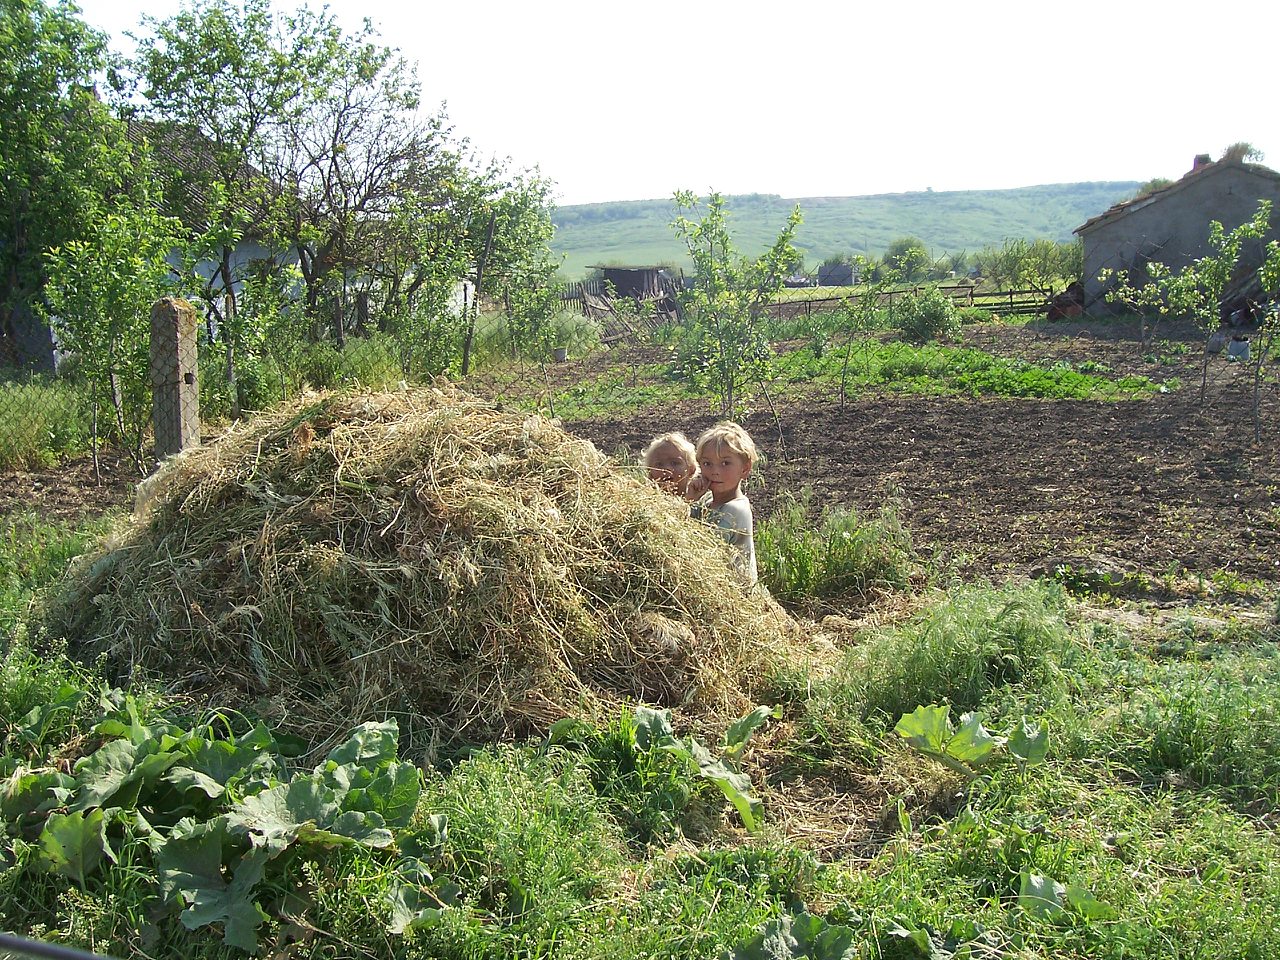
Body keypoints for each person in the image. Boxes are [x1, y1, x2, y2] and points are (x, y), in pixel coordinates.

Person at [685, 421, 757, 585]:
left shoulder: (735, 509)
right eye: (707, 464)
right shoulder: (706, 502)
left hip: (735, 594)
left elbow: (702, 550)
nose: (715, 471)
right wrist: (690, 498)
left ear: (745, 469)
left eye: (725, 463)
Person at [640, 431, 699, 497]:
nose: (667, 469)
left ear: (691, 470)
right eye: (659, 464)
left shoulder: (701, 502)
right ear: (650, 473)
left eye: (675, 463)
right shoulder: (643, 501)